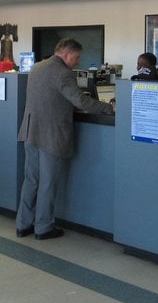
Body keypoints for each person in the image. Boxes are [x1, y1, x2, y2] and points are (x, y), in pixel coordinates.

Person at [16, 38, 114, 240]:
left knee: (31, 180)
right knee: (48, 183)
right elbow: (80, 100)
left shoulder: (37, 67)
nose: (77, 62)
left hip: (31, 131)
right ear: (67, 54)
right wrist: (108, 108)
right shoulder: (63, 72)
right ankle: (43, 227)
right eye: (76, 57)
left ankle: (23, 224)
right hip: (51, 134)